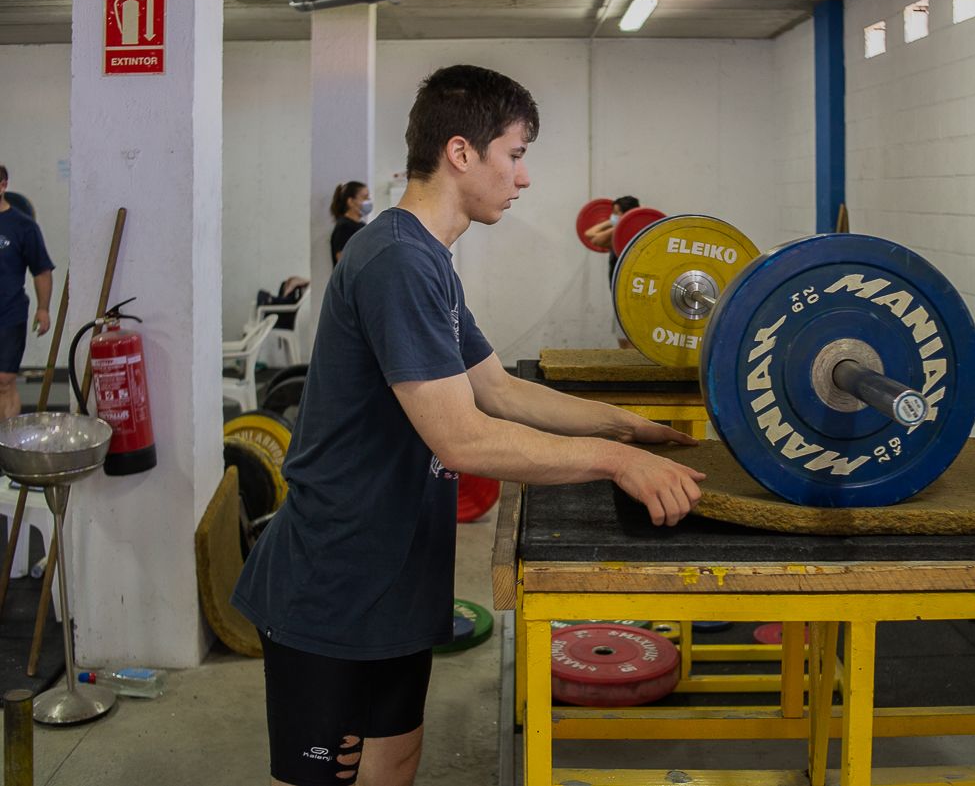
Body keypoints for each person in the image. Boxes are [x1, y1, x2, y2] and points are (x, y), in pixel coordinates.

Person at [232, 65, 705, 786]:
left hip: (396, 569)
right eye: (514, 155)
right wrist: (614, 464)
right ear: (461, 152)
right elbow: (462, 436)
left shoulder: (429, 260)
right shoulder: (395, 259)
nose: (523, 178)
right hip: (334, 577)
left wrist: (629, 427)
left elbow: (498, 389)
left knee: (395, 762)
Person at [0, 165, 54, 421]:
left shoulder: (23, 227)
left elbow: (41, 271)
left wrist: (43, 309)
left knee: (4, 381)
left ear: (3, 186)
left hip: (9, 313)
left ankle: (5, 447)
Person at [585, 194, 640, 284]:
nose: (612, 215)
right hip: (616, 284)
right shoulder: (616, 235)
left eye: (615, 212)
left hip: (627, 283)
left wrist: (620, 225)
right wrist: (613, 223)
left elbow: (596, 240)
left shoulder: (629, 236)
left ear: (626, 214)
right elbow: (589, 234)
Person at [329, 180, 372, 266]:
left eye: (368, 198)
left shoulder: (362, 225)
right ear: (351, 202)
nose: (369, 201)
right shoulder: (344, 227)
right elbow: (342, 261)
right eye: (365, 198)